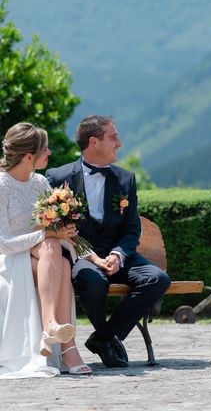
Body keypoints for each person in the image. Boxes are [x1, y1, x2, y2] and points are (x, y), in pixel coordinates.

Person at [46, 115, 170, 368]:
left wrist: (118, 255)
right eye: (113, 137)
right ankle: (106, 338)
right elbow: (53, 226)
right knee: (92, 282)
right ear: (94, 142)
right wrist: (89, 255)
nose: (119, 143)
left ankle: (104, 337)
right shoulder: (57, 178)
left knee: (158, 279)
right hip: (82, 257)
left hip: (118, 257)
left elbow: (132, 228)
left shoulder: (126, 179)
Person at [0, 123, 91, 379]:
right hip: (7, 257)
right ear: (29, 156)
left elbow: (52, 231)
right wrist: (49, 234)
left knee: (58, 258)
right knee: (55, 254)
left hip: (37, 255)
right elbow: (3, 242)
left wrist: (62, 233)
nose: (49, 153)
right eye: (45, 149)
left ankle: (52, 327)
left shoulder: (40, 182)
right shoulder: (1, 185)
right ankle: (67, 348)